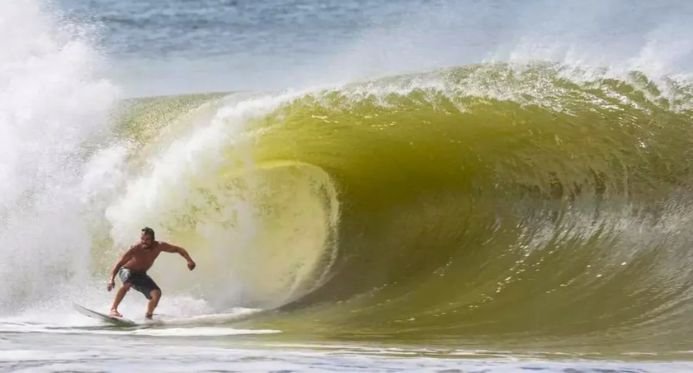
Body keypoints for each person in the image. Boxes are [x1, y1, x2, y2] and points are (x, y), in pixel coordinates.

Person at [107, 227, 196, 319]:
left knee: (156, 294)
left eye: (147, 239)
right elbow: (119, 263)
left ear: (153, 239)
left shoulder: (159, 246)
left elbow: (178, 249)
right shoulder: (135, 248)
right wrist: (111, 279)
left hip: (141, 274)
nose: (144, 242)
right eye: (142, 239)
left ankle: (149, 315)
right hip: (126, 270)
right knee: (128, 283)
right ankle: (113, 309)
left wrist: (189, 260)